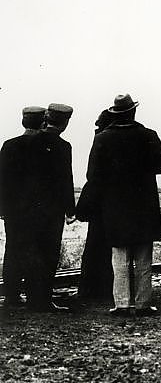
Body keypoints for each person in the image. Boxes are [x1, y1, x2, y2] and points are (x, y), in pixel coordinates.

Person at [86, 94, 161, 317]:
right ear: (133, 112)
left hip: (115, 208)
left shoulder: (103, 138)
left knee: (119, 258)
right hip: (144, 207)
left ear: (115, 114)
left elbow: (92, 174)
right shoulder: (148, 135)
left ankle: (121, 304)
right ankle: (143, 304)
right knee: (143, 259)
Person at [27, 103, 77, 311]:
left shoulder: (27, 142)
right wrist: (70, 210)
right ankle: (44, 300)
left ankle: (32, 299)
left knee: (33, 252)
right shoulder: (63, 146)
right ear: (65, 123)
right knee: (49, 254)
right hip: (52, 210)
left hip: (29, 208)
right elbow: (66, 180)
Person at [0, 106, 46, 307]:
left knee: (13, 249)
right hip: (38, 209)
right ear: (43, 122)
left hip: (13, 210)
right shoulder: (45, 146)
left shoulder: (9, 145)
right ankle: (35, 295)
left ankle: (11, 294)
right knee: (36, 251)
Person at [75, 110, 116, 300]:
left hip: (98, 203)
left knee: (94, 246)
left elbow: (92, 175)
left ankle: (89, 289)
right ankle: (104, 289)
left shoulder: (99, 138)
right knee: (107, 248)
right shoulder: (108, 139)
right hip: (110, 203)